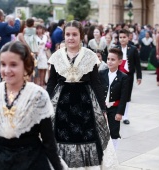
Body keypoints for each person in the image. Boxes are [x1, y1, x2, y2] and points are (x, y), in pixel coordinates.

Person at [47, 20, 118, 169]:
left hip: (85, 103)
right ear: (64, 36)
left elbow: (96, 83)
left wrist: (102, 108)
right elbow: (51, 83)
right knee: (61, 136)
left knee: (85, 137)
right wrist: (45, 105)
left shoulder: (90, 55)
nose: (71, 38)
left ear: (81, 36)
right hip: (62, 104)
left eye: (74, 34)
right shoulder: (56, 56)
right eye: (68, 34)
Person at [0, 41, 65, 170]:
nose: (7, 70)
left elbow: (48, 141)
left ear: (26, 66)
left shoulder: (38, 95)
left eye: (13, 65)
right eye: (3, 64)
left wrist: (58, 167)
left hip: (31, 162)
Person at [99, 48, 129, 150]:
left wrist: (120, 113)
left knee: (114, 132)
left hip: (114, 108)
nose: (109, 62)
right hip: (102, 108)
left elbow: (124, 97)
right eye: (108, 59)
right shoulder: (101, 73)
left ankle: (114, 154)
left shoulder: (123, 77)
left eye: (113, 59)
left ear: (119, 61)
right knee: (100, 131)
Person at [117, 29, 142, 125]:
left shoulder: (133, 49)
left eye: (124, 37)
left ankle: (125, 116)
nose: (122, 39)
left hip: (128, 76)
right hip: (118, 75)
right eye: (120, 37)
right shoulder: (116, 48)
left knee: (127, 96)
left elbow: (137, 64)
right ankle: (117, 114)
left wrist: (139, 77)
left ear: (128, 38)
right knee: (117, 95)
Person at [0, 9, 20, 83]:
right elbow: (16, 29)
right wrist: (17, 19)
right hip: (4, 51)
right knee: (4, 69)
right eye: (3, 15)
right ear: (0, 17)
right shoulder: (4, 25)